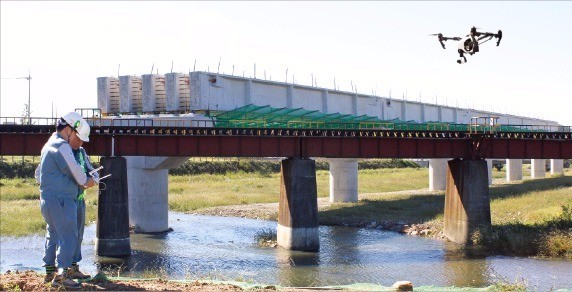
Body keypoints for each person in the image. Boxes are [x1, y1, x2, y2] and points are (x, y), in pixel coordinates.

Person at [35, 112, 96, 289]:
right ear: (69, 130)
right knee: (68, 236)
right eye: (78, 136)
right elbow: (80, 176)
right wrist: (88, 182)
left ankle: (50, 273)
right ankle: (62, 277)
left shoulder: (48, 145)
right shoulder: (62, 147)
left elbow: (38, 174)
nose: (81, 141)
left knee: (53, 234)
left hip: (48, 200)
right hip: (63, 200)